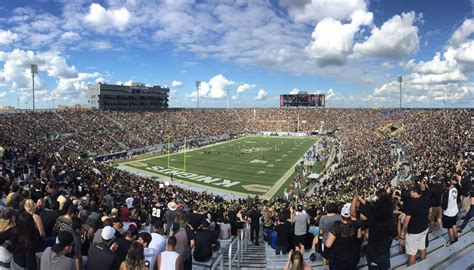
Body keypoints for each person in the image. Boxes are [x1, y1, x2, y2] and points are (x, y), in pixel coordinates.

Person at [354, 192, 397, 270]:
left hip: (372, 252)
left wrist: (356, 197)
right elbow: (396, 235)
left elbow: (357, 208)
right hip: (384, 251)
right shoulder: (390, 219)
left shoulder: (372, 213)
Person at [325, 203, 362, 270]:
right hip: (352, 259)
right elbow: (359, 239)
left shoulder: (336, 225)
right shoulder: (357, 225)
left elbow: (328, 244)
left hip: (338, 260)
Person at [401, 183, 430, 266]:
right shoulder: (426, 199)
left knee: (412, 253)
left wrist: (403, 233)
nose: (409, 193)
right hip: (424, 228)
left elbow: (406, 220)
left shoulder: (411, 203)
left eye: (410, 191)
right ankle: (423, 266)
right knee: (422, 247)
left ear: (415, 191)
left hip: (414, 232)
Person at [441, 176, 459, 245]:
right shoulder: (455, 188)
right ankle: (456, 237)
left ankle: (452, 240)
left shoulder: (446, 192)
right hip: (455, 210)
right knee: (454, 224)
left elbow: (444, 206)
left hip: (448, 213)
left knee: (449, 228)